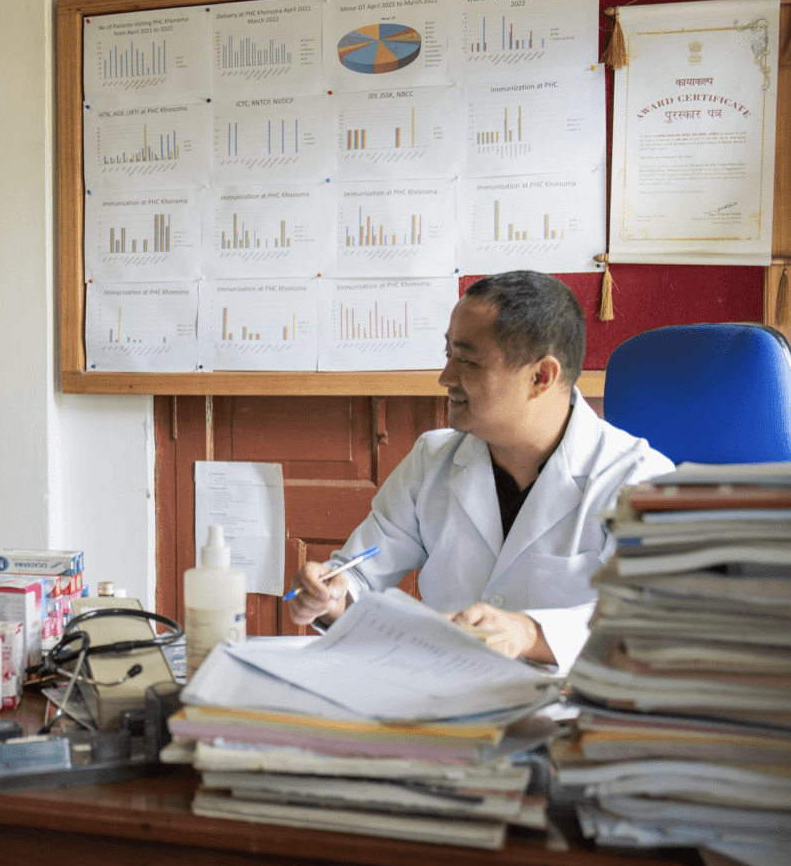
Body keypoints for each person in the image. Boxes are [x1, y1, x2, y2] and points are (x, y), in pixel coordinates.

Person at [285, 270, 673, 670]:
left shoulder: (638, 479)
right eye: (448, 355)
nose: (445, 378)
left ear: (541, 377)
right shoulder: (431, 459)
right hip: (438, 695)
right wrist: (331, 597)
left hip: (570, 711)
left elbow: (655, 617)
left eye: (467, 361)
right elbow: (360, 575)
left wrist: (529, 634)